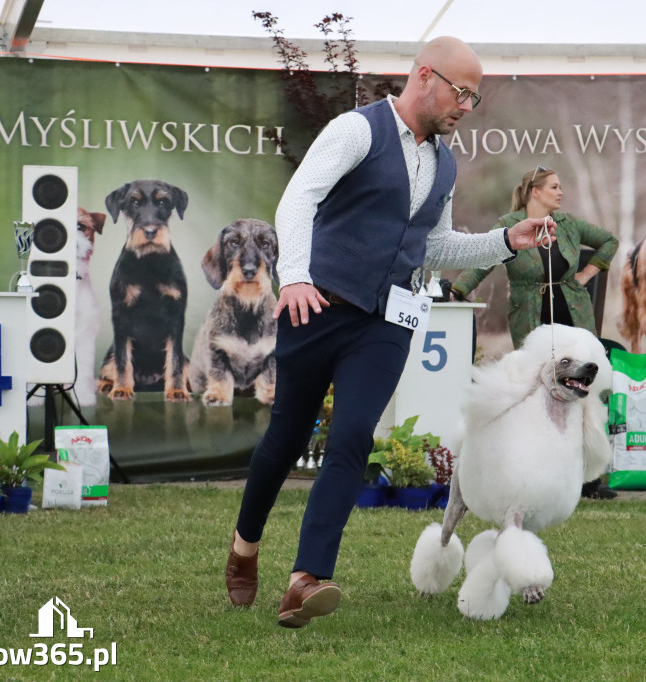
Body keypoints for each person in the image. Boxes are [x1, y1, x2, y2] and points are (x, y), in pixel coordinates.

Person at [225, 36, 559, 629]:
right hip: (316, 303)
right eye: (462, 92)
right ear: (425, 76)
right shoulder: (356, 131)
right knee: (286, 436)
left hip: (386, 321)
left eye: (475, 98)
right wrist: (295, 277)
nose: (467, 106)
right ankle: (244, 547)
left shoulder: (445, 163)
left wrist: (505, 241)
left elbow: (433, 245)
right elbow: (298, 200)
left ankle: (306, 578)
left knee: (352, 438)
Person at [451, 166, 619, 499]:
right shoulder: (509, 226)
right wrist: (458, 290)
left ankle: (588, 480)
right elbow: (483, 260)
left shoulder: (569, 224)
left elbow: (609, 242)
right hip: (531, 319)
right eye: (554, 187)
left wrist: (586, 273)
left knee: (583, 395)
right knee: (534, 392)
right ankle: (534, 470)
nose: (561, 192)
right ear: (535, 192)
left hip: (574, 316)